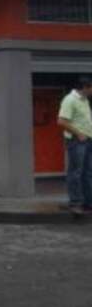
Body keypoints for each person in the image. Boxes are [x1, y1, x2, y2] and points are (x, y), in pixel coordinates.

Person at [58, 77, 92, 215]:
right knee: (75, 172)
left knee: (88, 172)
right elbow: (61, 121)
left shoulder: (84, 101)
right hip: (76, 141)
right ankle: (75, 203)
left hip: (88, 140)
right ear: (85, 87)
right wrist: (79, 134)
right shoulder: (70, 100)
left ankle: (88, 202)